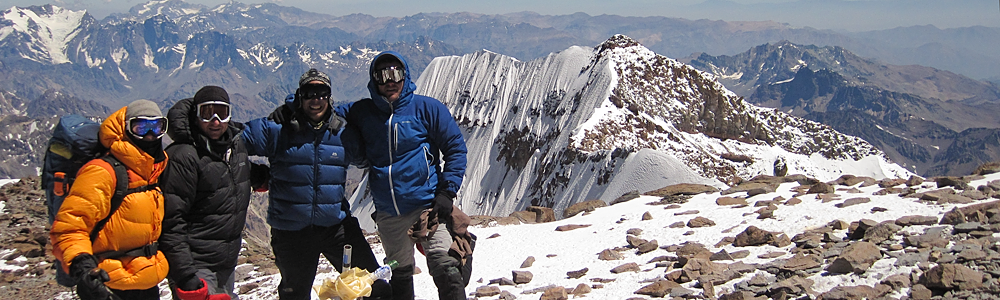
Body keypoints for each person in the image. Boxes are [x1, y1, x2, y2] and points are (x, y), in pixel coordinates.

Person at [241, 69, 390, 300]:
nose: (316, 99)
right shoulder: (277, 129)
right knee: (295, 295)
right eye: (310, 92)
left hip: (336, 227)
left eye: (322, 93)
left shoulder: (343, 133)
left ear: (330, 97)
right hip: (291, 231)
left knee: (373, 286)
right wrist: (253, 174)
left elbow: (374, 156)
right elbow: (231, 142)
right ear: (300, 96)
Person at [341, 51, 470, 300]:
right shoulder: (363, 111)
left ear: (405, 75)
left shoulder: (426, 108)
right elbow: (323, 110)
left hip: (427, 206)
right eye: (383, 75)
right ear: (374, 79)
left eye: (396, 73)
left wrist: (447, 192)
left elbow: (455, 147)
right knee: (399, 274)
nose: (390, 81)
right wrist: (293, 106)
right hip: (389, 213)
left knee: (446, 265)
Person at [50, 99, 171, 300]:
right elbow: (69, 227)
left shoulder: (152, 172)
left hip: (146, 280)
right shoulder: (102, 172)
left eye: (157, 127)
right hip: (107, 284)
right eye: (141, 127)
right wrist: (83, 267)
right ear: (127, 131)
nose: (150, 135)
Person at [160, 86, 266, 300]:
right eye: (207, 114)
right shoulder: (183, 157)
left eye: (222, 113)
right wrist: (186, 276)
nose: (216, 121)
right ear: (195, 116)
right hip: (196, 264)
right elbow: (171, 221)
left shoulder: (234, 147)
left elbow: (229, 172)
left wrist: (264, 177)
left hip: (226, 261)